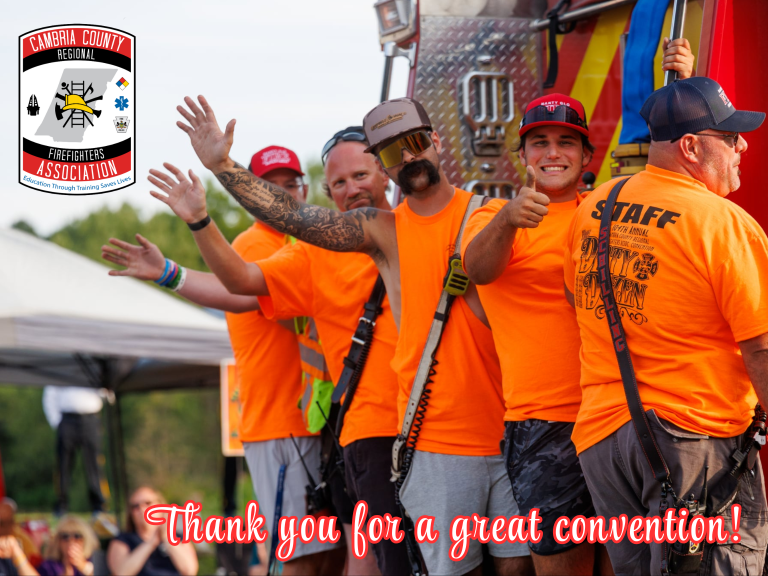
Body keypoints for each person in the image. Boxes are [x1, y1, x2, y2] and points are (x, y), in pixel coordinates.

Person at [173, 95, 533, 576]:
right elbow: (293, 219)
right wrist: (222, 168)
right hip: (418, 436)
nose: (407, 157)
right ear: (385, 166)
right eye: (391, 152)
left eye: (415, 143)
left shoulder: (486, 214)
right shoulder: (377, 231)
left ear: (434, 143)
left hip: (505, 427)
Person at [102, 127, 410, 576]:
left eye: (289, 185)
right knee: (322, 557)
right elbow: (240, 284)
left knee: (343, 555)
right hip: (296, 426)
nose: (279, 193)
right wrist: (177, 259)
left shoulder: (400, 229)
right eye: (268, 186)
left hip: (340, 424)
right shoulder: (293, 246)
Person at [461, 41, 695, 576]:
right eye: (539, 142)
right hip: (542, 423)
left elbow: (678, 177)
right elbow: (477, 270)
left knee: (628, 566)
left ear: (587, 156)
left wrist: (679, 84)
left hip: (620, 418)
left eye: (566, 142)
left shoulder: (609, 207)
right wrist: (507, 221)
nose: (552, 153)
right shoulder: (495, 215)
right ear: (521, 156)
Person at [563, 76, 768, 574]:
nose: (742, 145)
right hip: (694, 442)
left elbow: (576, 296)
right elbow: (761, 348)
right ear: (692, 147)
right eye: (730, 136)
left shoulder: (595, 207)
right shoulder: (721, 222)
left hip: (604, 441)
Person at [42, 387, 107, 521]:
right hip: (67, 419)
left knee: (94, 465)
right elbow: (49, 395)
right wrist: (57, 423)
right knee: (63, 465)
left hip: (91, 418)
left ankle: (99, 506)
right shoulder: (60, 367)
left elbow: (106, 392)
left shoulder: (93, 367)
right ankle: (61, 506)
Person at [106, 486, 198, 576]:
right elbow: (121, 573)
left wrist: (166, 538)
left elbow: (190, 571)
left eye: (147, 503)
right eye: (136, 506)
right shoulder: (122, 540)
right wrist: (151, 543)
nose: (142, 509)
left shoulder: (179, 537)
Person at [0, 500, 37, 576]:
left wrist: (18, 556)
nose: (4, 527)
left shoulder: (20, 538)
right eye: (1, 523)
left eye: (9, 522)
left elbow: (35, 560)